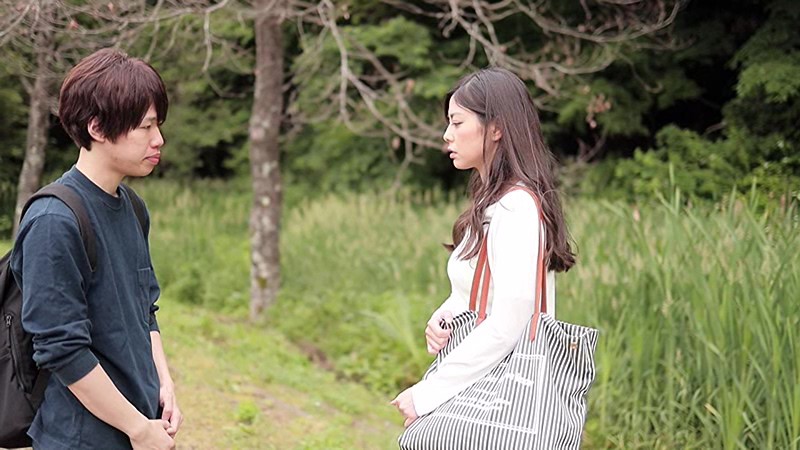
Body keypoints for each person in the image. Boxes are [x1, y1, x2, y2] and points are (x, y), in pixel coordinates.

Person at [10, 48, 181, 449]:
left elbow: (145, 310)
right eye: (145, 126)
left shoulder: (133, 207)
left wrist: (164, 385)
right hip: (80, 438)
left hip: (138, 423)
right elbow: (62, 349)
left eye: (158, 125)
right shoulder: (54, 220)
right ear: (98, 128)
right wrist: (138, 429)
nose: (158, 139)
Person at [391, 67, 576, 428]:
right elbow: (480, 295)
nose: (447, 135)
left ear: (496, 128)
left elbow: (511, 318)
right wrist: (445, 315)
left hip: (505, 395)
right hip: (485, 384)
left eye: (457, 122)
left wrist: (427, 393)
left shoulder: (516, 207)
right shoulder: (492, 204)